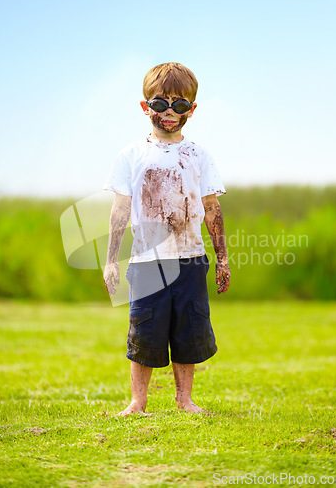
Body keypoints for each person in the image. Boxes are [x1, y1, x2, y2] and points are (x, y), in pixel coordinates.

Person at [103, 62, 231, 416]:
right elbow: (119, 209)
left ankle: (184, 399)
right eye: (161, 104)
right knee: (143, 331)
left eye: (180, 105)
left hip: (190, 258)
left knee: (189, 331)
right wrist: (112, 259)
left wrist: (221, 257)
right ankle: (137, 402)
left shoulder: (199, 156)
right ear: (146, 107)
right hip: (146, 262)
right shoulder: (131, 155)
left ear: (192, 109)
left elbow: (212, 208)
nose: (170, 113)